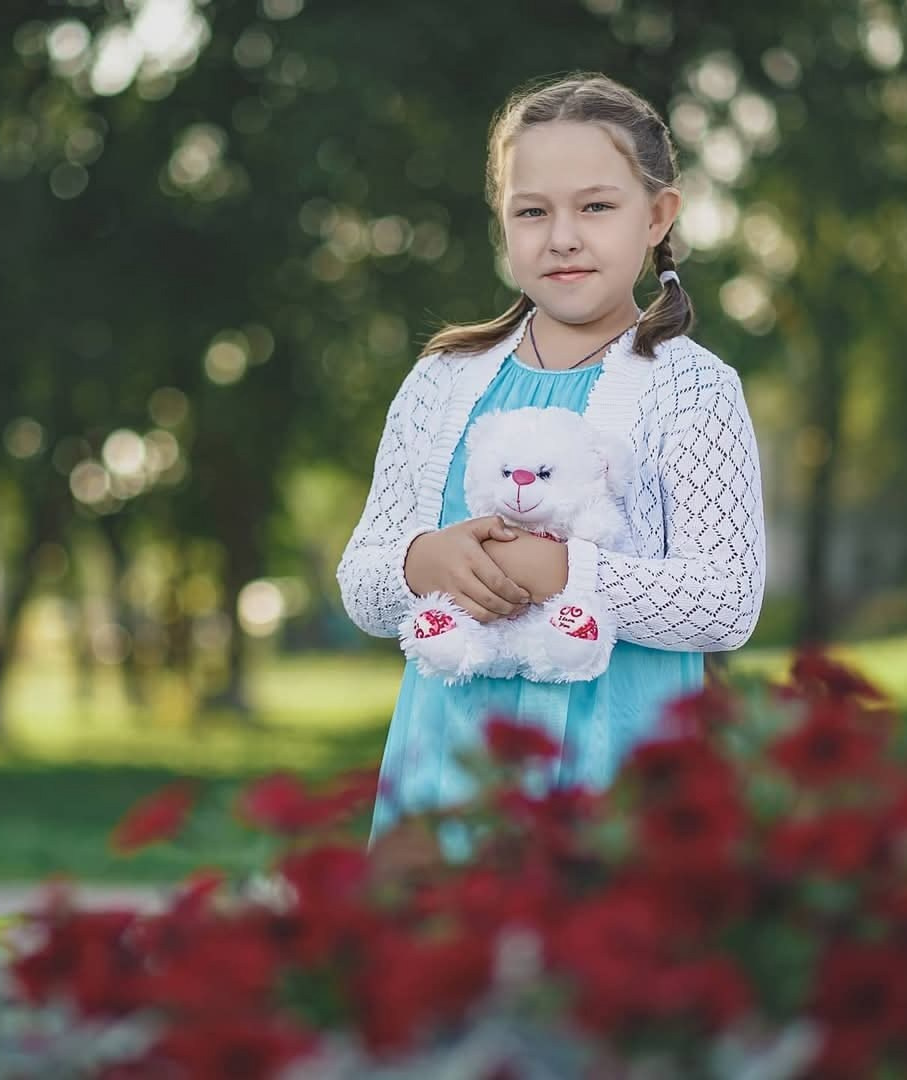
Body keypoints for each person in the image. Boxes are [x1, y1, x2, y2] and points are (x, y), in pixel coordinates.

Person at [336, 72, 766, 856]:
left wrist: (558, 571)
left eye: (596, 207)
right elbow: (363, 584)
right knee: (442, 969)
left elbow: (726, 601)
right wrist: (420, 560)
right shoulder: (442, 380)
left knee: (595, 976)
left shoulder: (692, 388)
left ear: (659, 216)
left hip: (618, 768)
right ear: (503, 225)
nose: (562, 236)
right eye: (532, 212)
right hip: (450, 774)